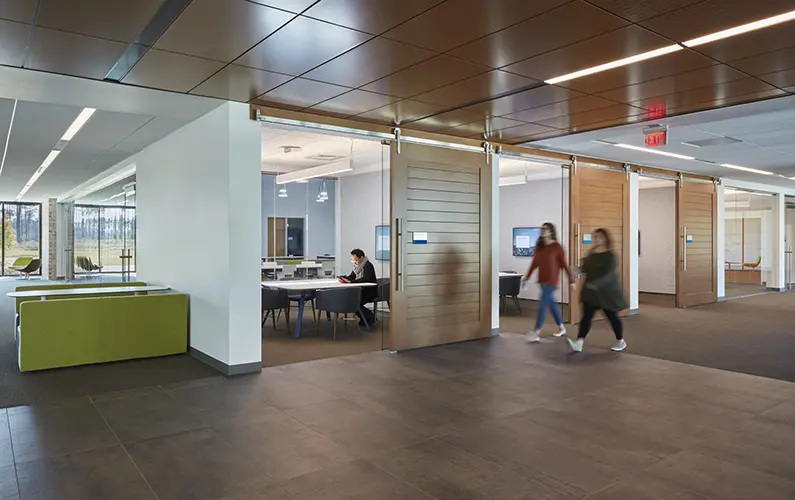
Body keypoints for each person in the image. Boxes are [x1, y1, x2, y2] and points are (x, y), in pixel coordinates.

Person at [567, 228, 627, 353]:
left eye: (600, 237)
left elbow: (609, 274)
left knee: (612, 317)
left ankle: (620, 340)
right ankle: (579, 342)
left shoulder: (611, 255)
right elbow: (586, 268)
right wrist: (577, 269)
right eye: (595, 237)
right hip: (591, 293)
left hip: (607, 293)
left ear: (606, 239)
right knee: (586, 317)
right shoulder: (592, 253)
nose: (597, 240)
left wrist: (597, 283)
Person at [522, 222, 575, 342]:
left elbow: (564, 265)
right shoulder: (540, 246)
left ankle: (537, 331)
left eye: (545, 229)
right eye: (542, 229)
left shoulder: (557, 247)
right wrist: (527, 277)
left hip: (552, 281)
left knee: (543, 304)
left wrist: (571, 280)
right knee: (551, 303)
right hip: (542, 280)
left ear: (551, 231)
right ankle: (561, 327)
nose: (543, 231)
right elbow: (534, 263)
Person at [340, 248, 377, 325]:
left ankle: (370, 317)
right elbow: (352, 276)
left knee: (354, 302)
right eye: (353, 260)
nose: (355, 262)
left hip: (369, 291)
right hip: (361, 291)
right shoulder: (357, 267)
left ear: (361, 258)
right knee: (350, 300)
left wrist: (351, 282)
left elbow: (367, 279)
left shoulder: (368, 265)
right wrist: (344, 279)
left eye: (356, 260)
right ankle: (366, 318)